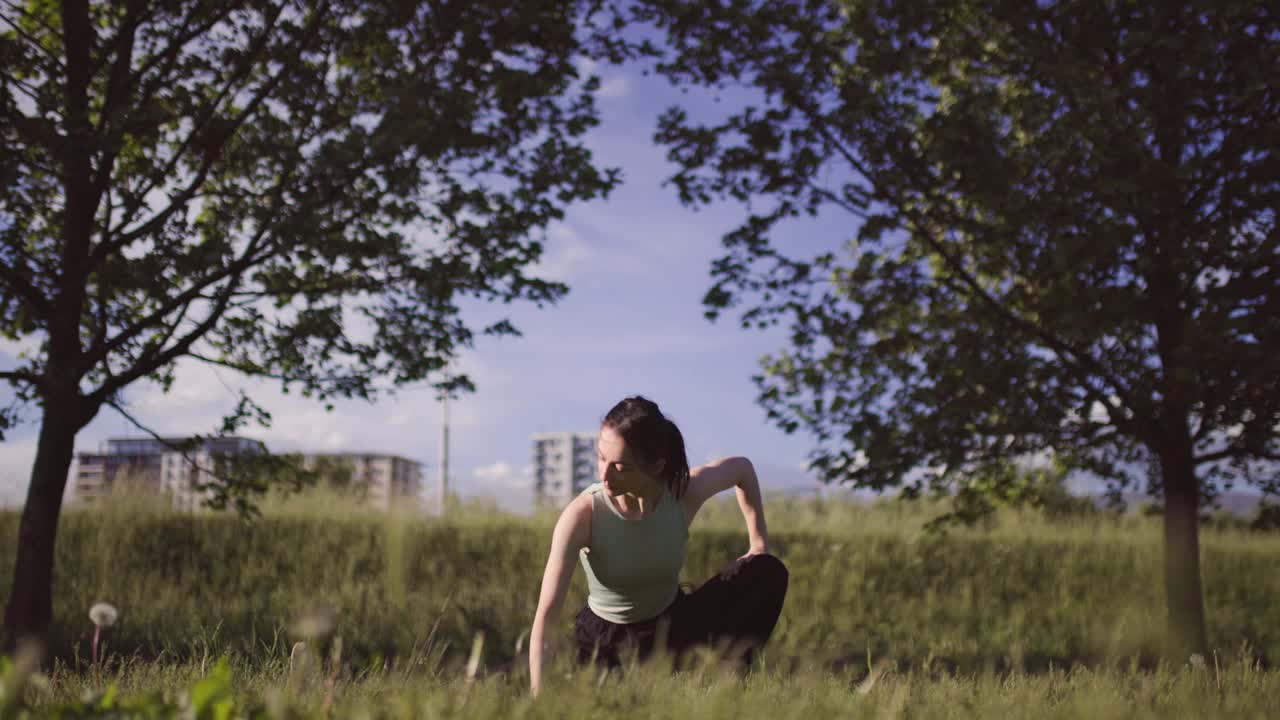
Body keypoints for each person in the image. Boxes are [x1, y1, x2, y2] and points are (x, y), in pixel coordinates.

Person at [528, 396, 789, 696]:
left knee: (767, 572)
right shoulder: (583, 515)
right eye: (600, 458)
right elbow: (546, 619)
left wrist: (758, 542)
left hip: (673, 625)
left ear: (655, 465)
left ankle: (723, 687)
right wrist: (539, 700)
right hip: (606, 642)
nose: (605, 475)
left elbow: (741, 469)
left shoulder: (680, 494)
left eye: (621, 466)